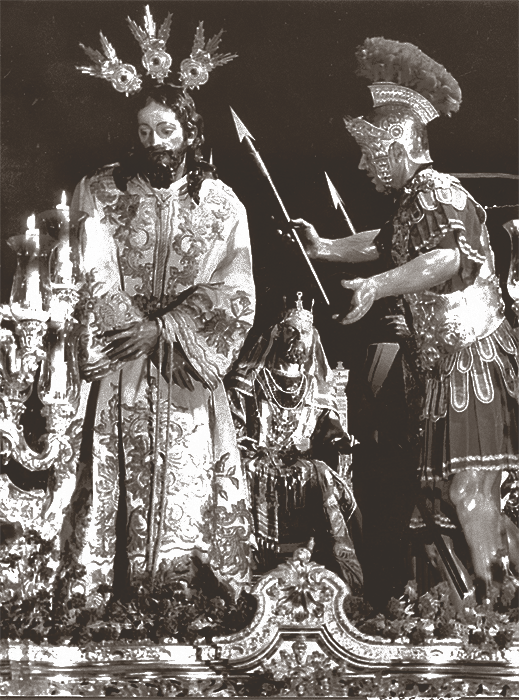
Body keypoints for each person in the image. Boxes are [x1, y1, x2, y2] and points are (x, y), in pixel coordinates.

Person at [290, 37, 519, 599]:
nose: (365, 165)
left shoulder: (436, 191)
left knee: (471, 487)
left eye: (372, 154)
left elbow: (444, 258)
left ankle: (498, 607)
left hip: (471, 360)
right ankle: (496, 596)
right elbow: (383, 243)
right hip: (448, 364)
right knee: (458, 491)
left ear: (397, 147)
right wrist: (326, 248)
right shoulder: (414, 201)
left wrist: (377, 286)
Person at [57, 17, 256, 604]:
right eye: (143, 133)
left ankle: (185, 605)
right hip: (118, 364)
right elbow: (87, 270)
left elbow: (235, 288)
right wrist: (133, 331)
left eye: (166, 130)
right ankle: (100, 604)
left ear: (190, 131)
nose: (155, 145)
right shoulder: (100, 191)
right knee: (108, 482)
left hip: (186, 373)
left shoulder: (223, 206)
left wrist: (166, 330)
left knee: (186, 500)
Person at [226, 293, 362, 593]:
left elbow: (328, 425)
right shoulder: (251, 378)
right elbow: (233, 424)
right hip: (256, 459)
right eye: (291, 331)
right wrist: (251, 448)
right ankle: (246, 567)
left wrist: (340, 438)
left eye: (305, 333)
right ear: (278, 333)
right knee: (242, 475)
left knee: (322, 474)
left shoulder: (315, 385)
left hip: (301, 463)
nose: (298, 339)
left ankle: (337, 569)